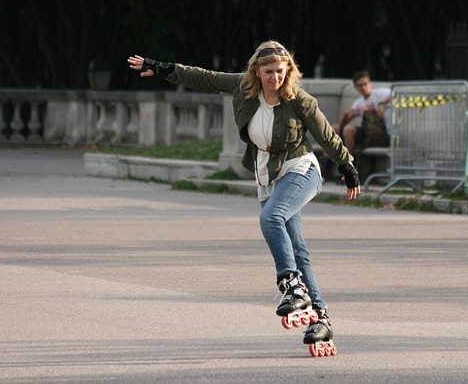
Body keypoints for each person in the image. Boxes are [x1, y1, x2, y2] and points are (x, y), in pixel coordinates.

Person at [127, 40, 359, 354]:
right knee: (298, 249)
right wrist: (164, 68)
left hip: (301, 169)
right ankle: (321, 317)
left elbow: (326, 135)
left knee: (271, 218)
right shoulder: (242, 88)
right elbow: (204, 77)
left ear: (288, 71)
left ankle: (291, 285)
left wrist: (347, 166)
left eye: (280, 71)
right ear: (257, 72)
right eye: (268, 72)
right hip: (267, 175)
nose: (275, 77)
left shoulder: (299, 100)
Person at [332, 70, 391, 156]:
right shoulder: (359, 103)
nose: (363, 88)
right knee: (334, 129)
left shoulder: (380, 94)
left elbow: (395, 94)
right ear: (356, 88)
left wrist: (382, 104)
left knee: (348, 130)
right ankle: (326, 161)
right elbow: (341, 126)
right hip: (367, 133)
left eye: (365, 84)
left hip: (381, 133)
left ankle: (350, 165)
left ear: (370, 83)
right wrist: (345, 115)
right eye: (360, 86)